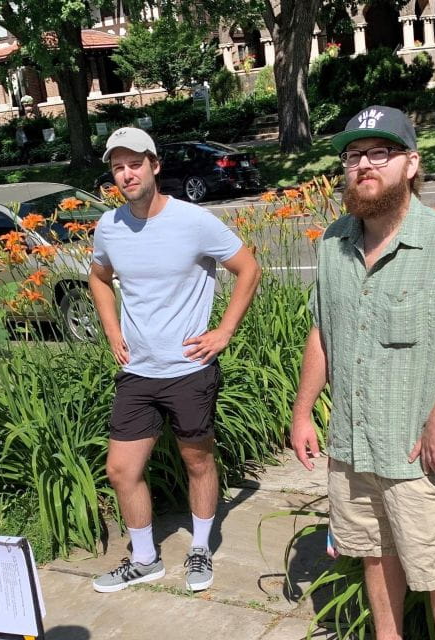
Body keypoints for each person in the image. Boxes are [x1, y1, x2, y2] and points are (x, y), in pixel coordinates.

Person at [290, 105, 435, 640]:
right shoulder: (332, 243)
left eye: (380, 153)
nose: (364, 166)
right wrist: (304, 411)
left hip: (419, 457)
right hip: (352, 448)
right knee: (374, 556)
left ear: (411, 164)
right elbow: (322, 331)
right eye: (353, 155)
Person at [88, 127, 261, 593]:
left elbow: (249, 268)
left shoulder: (193, 221)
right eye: (118, 167)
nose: (126, 174)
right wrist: (111, 329)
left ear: (155, 166)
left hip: (189, 370)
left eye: (135, 163)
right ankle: (144, 559)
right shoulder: (110, 226)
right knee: (121, 470)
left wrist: (223, 331)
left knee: (198, 462)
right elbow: (99, 276)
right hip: (138, 371)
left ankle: (200, 548)